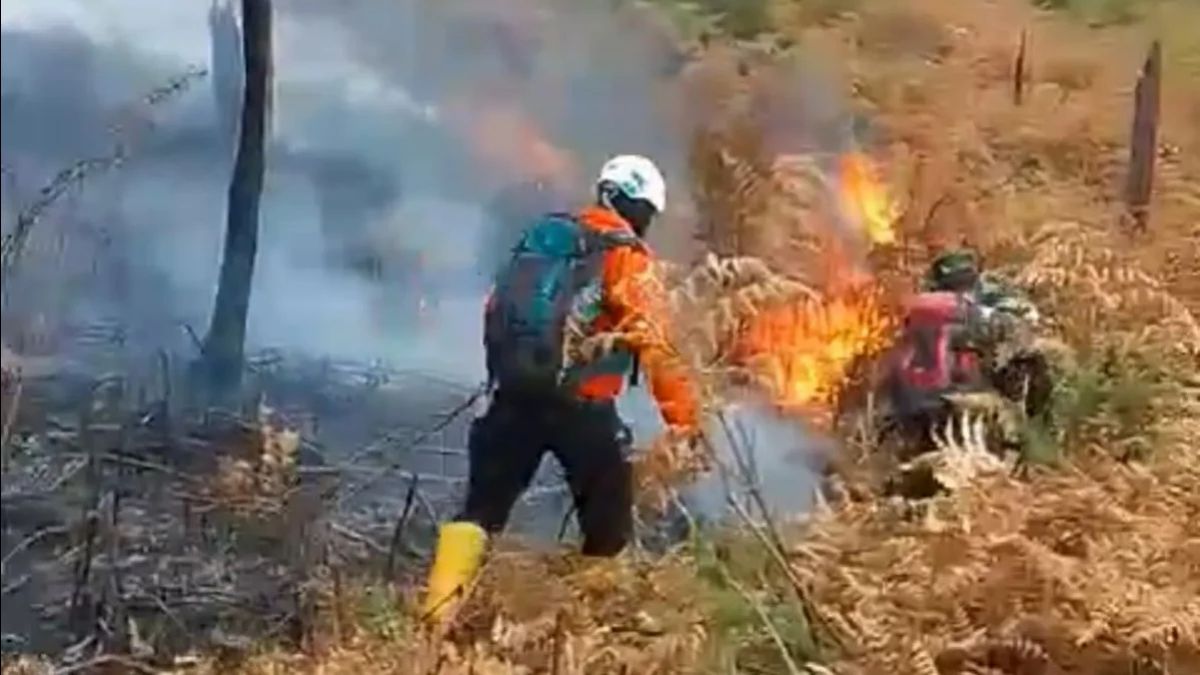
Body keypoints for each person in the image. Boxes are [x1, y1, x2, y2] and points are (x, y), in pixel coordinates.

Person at [421, 155, 701, 622]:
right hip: (584, 409)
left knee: (478, 512)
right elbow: (656, 344)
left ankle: (433, 627)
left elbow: (494, 308)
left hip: (512, 400)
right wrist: (686, 421)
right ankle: (589, 637)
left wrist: (512, 375)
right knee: (607, 528)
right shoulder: (624, 255)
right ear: (641, 210)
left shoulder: (544, 239)